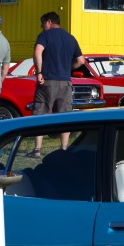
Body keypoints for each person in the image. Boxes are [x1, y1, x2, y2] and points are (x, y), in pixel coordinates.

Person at [31, 11, 85, 154]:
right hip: (65, 82)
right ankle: (64, 148)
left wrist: (39, 72)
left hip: (47, 81)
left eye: (43, 24)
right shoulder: (70, 38)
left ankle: (37, 150)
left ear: (49, 22)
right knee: (64, 116)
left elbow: (37, 52)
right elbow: (81, 61)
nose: (42, 27)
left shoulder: (45, 35)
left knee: (40, 113)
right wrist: (67, 68)